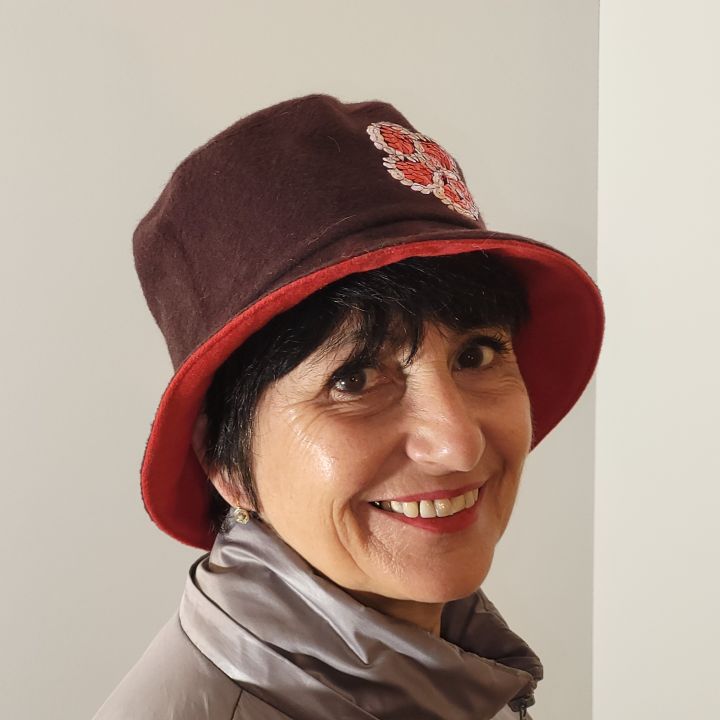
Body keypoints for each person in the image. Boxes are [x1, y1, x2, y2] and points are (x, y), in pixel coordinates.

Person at [93, 93, 604, 720]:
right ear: (224, 464)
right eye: (354, 379)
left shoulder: (445, 668)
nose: (457, 443)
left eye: (474, 355)